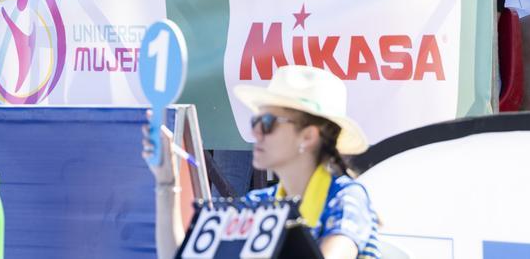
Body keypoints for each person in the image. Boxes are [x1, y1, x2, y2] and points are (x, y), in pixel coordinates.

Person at [145, 65, 380, 258]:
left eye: (267, 123)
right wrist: (166, 183)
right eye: (255, 121)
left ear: (308, 136)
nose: (256, 132)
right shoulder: (258, 205)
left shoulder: (346, 197)